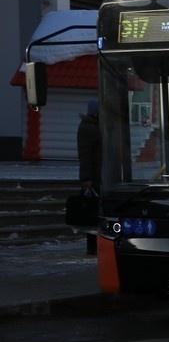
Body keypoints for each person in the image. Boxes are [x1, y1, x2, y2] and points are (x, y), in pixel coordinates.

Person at [76, 98, 101, 255]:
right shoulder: (87, 128)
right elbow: (84, 155)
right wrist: (86, 179)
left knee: (96, 213)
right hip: (93, 179)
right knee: (93, 213)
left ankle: (96, 246)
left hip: (99, 177)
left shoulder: (95, 126)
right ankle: (92, 247)